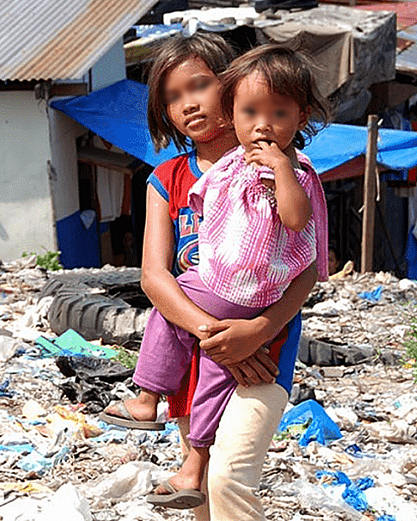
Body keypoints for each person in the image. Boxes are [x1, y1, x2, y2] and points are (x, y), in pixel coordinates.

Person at [97, 33, 324, 520]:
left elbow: (307, 267)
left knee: (229, 477)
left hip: (265, 349)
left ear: (232, 86)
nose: (187, 104)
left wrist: (257, 331)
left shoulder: (282, 169)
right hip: (194, 354)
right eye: (173, 97)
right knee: (198, 495)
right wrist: (214, 337)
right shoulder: (167, 180)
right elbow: (155, 278)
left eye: (199, 86)